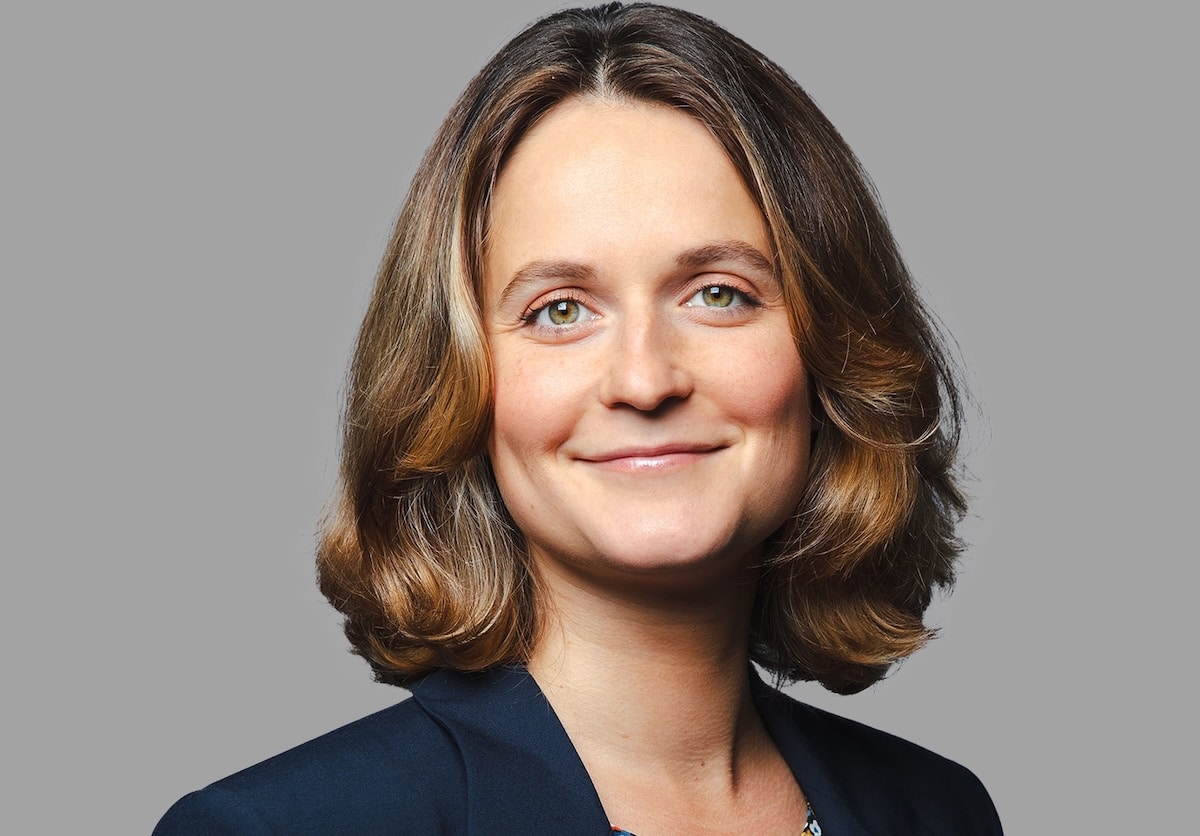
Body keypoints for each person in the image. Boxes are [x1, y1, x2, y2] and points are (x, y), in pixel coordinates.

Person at [155, 3, 1001, 833]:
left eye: (719, 294)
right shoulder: (277, 828)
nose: (644, 379)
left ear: (833, 355)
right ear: (457, 383)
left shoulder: (939, 814)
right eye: (560, 310)